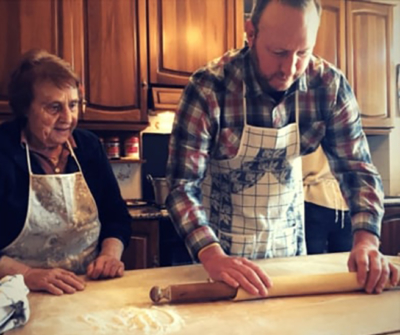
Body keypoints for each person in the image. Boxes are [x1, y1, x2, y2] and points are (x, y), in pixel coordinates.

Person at [165, 0, 399, 298]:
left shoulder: (328, 86)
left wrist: (367, 240)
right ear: (251, 33)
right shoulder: (209, 88)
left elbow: (358, 170)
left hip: (290, 257)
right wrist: (212, 255)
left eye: (302, 52)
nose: (289, 68)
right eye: (278, 52)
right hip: (216, 261)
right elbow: (181, 186)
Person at [0, 49, 132, 295]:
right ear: (25, 108)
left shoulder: (89, 147)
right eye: (54, 108)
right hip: (17, 292)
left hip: (87, 288)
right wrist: (28, 275)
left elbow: (116, 216)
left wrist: (109, 256)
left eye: (72, 105)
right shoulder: (4, 150)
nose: (68, 118)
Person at [302, 145, 352, 254]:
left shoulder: (308, 134)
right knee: (343, 262)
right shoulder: (344, 135)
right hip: (344, 201)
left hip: (314, 198)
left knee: (311, 262)